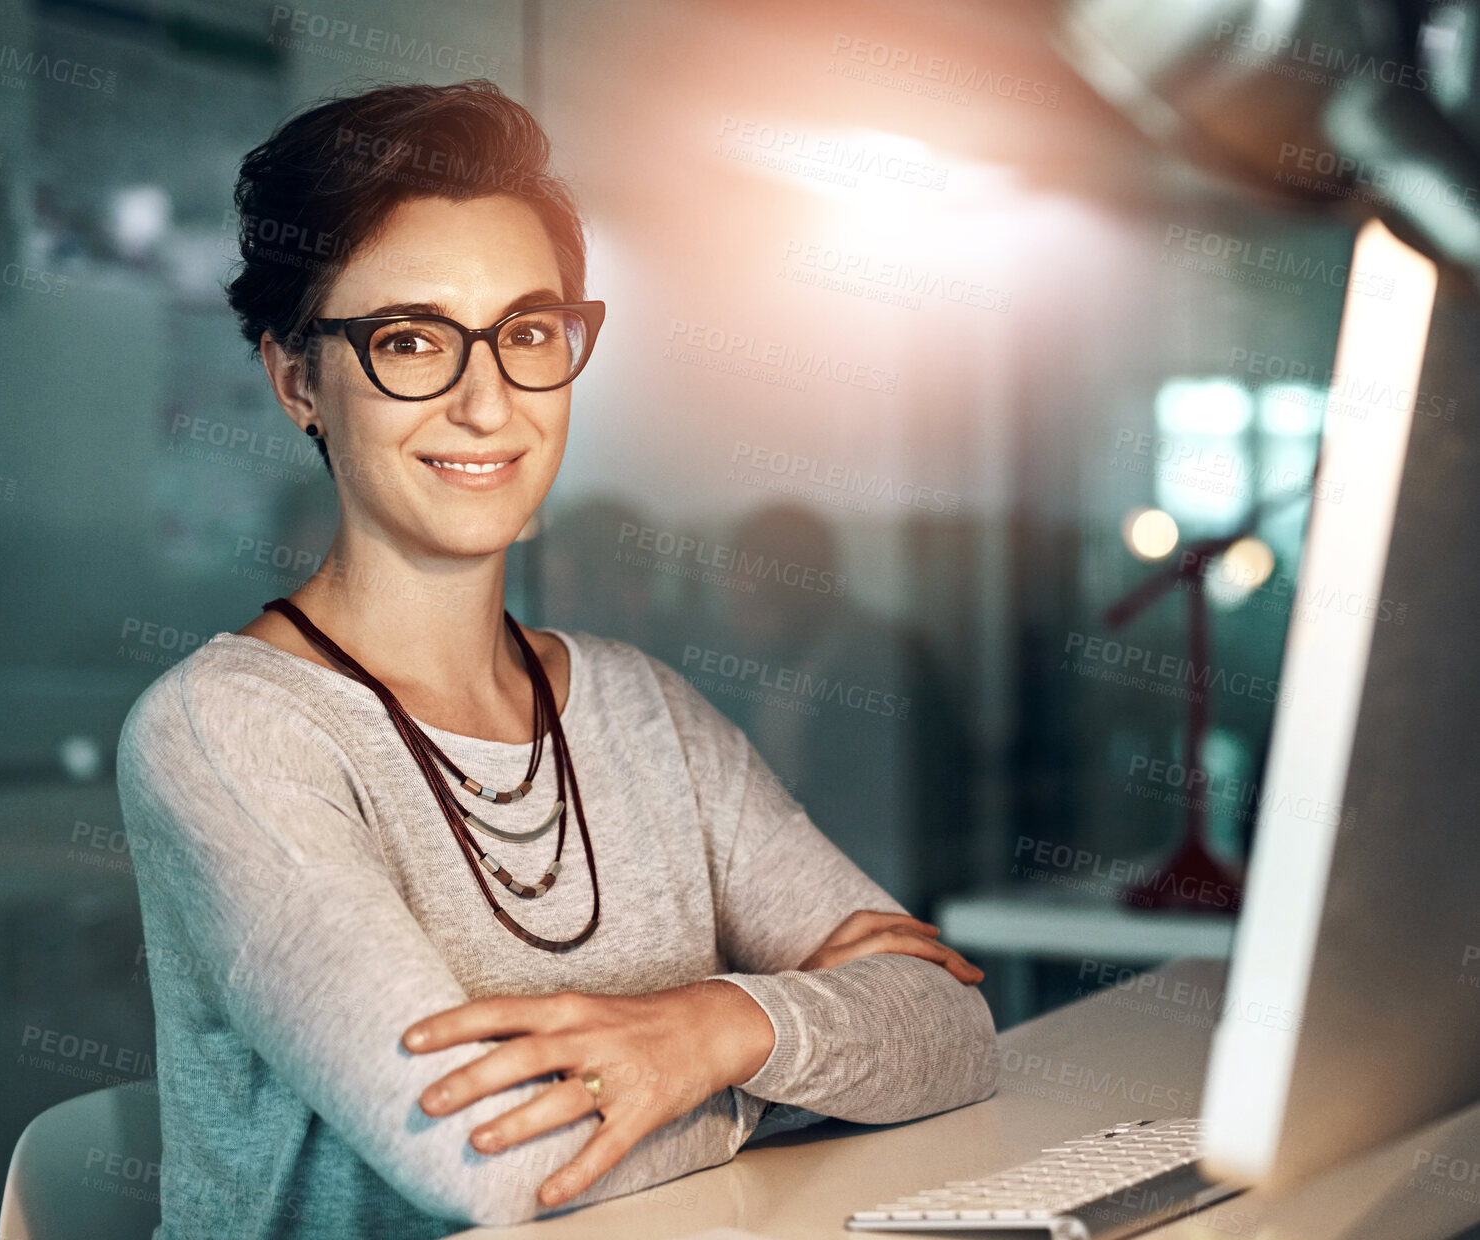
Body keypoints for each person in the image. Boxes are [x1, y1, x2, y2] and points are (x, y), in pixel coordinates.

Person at [115, 78, 998, 1238]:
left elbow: (950, 1030)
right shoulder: (225, 733)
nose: (489, 403)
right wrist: (791, 1062)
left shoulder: (643, 709)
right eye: (412, 340)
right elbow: (491, 1165)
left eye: (528, 333)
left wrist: (714, 1026)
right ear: (297, 382)